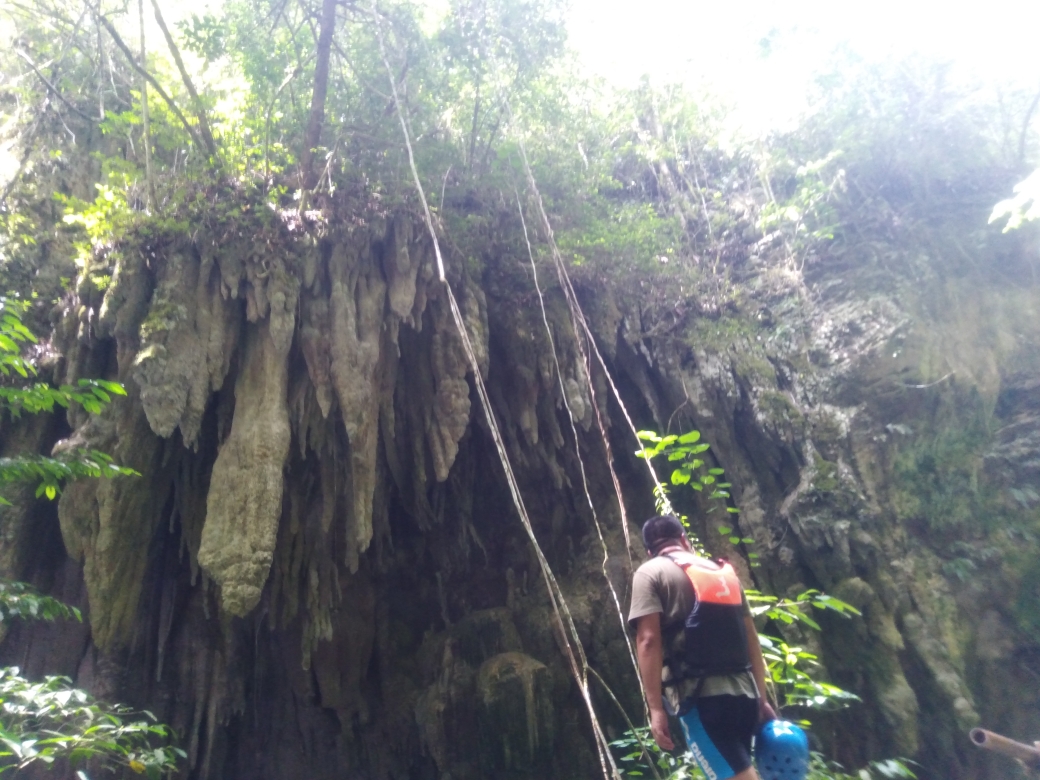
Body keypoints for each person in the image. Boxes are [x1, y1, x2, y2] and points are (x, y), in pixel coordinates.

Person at [629, 514, 775, 780]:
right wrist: (762, 699)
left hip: (701, 700)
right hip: (745, 697)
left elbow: (648, 641)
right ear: (683, 539)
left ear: (650, 550)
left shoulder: (650, 572)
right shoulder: (723, 574)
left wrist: (656, 709)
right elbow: (752, 641)